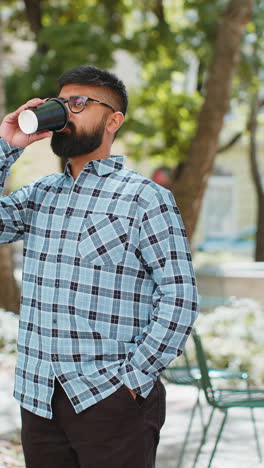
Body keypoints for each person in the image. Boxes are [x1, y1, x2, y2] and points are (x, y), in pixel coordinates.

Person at [0, 65, 198, 468]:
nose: (67, 113)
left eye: (79, 103)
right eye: (62, 102)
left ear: (113, 120)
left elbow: (180, 297)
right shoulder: (40, 195)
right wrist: (8, 145)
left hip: (111, 401)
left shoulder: (144, 198)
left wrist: (132, 380)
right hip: (38, 398)